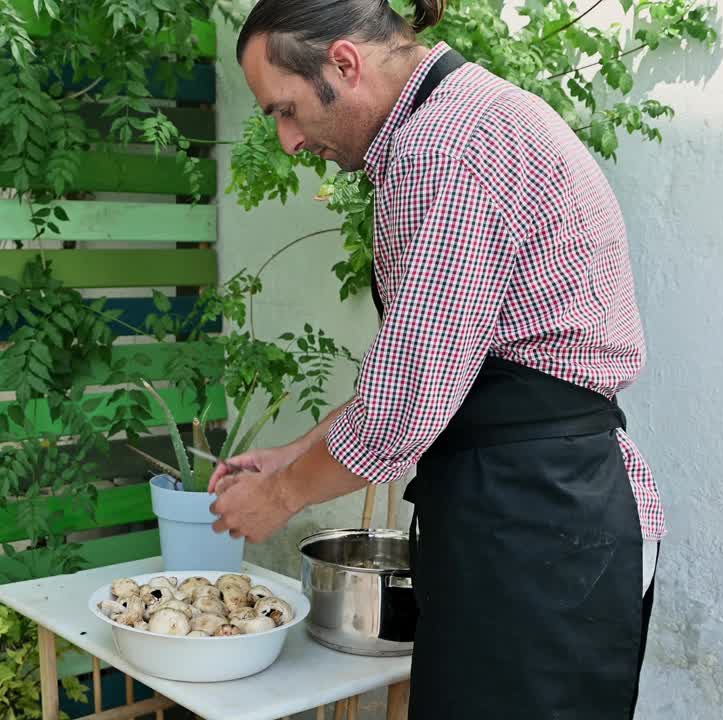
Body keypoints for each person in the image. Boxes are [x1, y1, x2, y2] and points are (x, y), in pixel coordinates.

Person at [208, 1, 664, 717]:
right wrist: (292, 452)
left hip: (534, 517)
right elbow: (427, 371)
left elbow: (402, 410)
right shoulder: (466, 116)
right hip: (539, 507)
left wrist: (282, 495)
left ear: (345, 64)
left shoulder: (442, 147)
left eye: (286, 110)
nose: (290, 141)